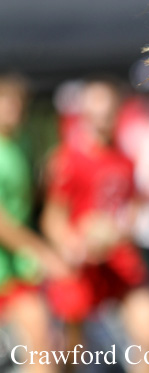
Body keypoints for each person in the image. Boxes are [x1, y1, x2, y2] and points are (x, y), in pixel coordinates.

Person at [40, 78, 149, 373]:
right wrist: (73, 242)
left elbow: (132, 211)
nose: (101, 120)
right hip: (80, 264)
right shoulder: (67, 159)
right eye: (95, 113)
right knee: (69, 353)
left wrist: (118, 231)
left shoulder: (125, 161)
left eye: (107, 112)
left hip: (117, 260)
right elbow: (52, 218)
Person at [0, 74, 69, 373]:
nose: (13, 108)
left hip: (15, 267)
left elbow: (25, 203)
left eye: (18, 102)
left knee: (48, 345)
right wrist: (42, 252)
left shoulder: (21, 143)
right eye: (6, 101)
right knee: (41, 344)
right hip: (8, 266)